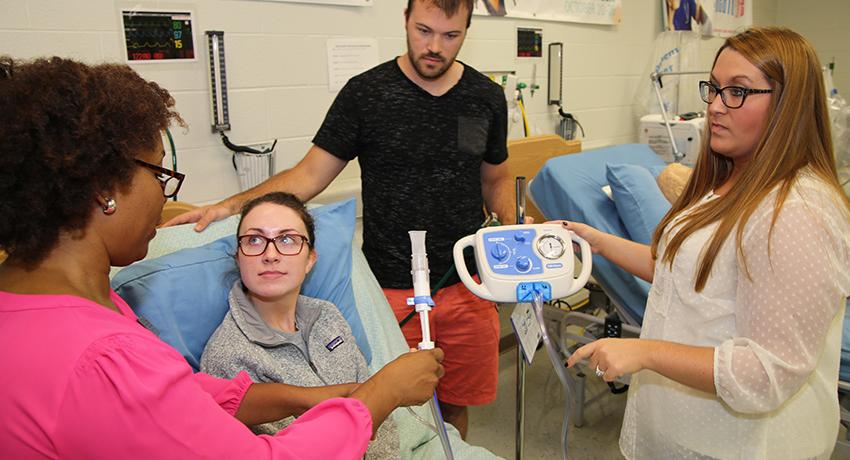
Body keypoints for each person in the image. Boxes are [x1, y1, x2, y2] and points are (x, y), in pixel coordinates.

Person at [0, 56, 445, 459]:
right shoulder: (105, 359)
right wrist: (381, 394)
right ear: (103, 186)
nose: (164, 196)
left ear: (312, 258)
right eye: (160, 174)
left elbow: (182, 401)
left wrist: (317, 396)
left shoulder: (59, 305)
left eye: (290, 241)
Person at [164, 0, 518, 438]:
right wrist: (227, 206)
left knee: (455, 407)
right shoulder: (366, 94)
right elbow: (309, 174)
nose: (434, 47)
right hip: (389, 290)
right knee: (394, 411)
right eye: (424, 31)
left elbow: (496, 177)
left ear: (467, 31)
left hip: (466, 285)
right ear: (405, 19)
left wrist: (514, 226)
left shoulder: (484, 97)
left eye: (450, 36)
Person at [562, 27, 850, 459]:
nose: (715, 106)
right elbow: (687, 274)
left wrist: (645, 352)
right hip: (681, 433)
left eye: (738, 91)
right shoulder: (733, 176)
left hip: (739, 447)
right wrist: (598, 242)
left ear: (788, 104)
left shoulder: (795, 211)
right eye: (714, 88)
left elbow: (764, 374)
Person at [200, 191, 399, 458]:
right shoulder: (228, 358)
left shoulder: (327, 315)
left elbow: (376, 407)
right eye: (255, 240)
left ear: (310, 260)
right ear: (239, 257)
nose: (270, 254)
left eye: (287, 239)